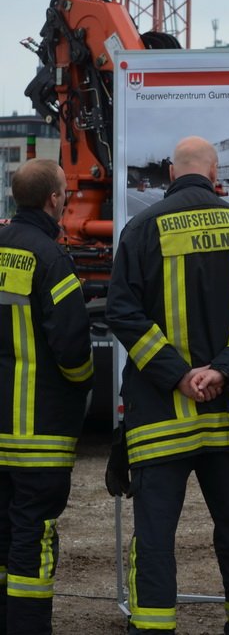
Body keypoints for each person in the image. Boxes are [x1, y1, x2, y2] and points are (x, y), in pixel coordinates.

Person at [106, 136, 229, 635]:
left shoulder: (141, 229)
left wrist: (178, 375)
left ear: (170, 172)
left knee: (156, 540)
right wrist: (225, 371)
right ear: (215, 173)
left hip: (161, 422)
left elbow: (122, 311)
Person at [0, 159, 93, 634]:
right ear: (54, 200)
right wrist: (83, 386)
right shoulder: (51, 257)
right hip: (37, 433)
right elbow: (73, 349)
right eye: (65, 195)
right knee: (32, 536)